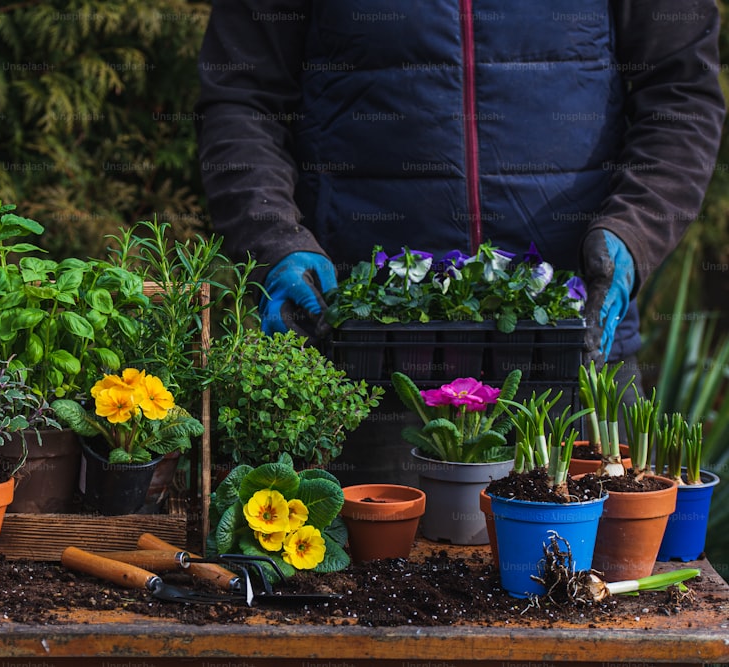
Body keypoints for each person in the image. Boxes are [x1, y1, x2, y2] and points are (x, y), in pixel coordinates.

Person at [195, 1, 725, 483]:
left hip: (571, 350)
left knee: (597, 577)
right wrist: (275, 240)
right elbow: (241, 96)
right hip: (365, 363)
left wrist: (632, 234)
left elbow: (680, 96)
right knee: (366, 575)